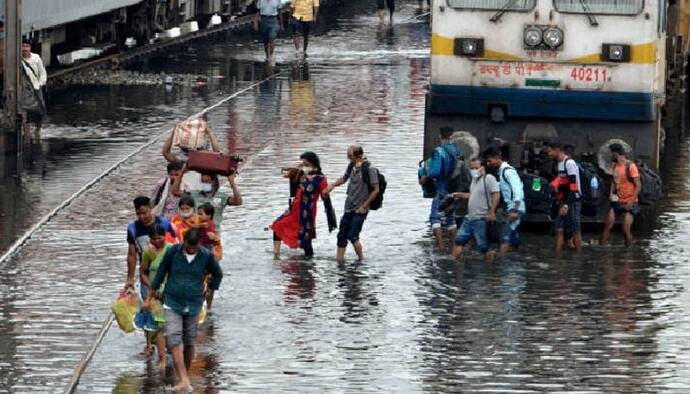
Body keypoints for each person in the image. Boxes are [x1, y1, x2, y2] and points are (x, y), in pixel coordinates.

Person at [152, 229, 223, 393]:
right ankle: (184, 379)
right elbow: (162, 270)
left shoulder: (206, 255)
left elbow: (218, 273)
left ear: (199, 244)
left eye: (194, 248)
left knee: (190, 341)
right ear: (183, 242)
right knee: (173, 337)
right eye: (188, 247)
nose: (191, 250)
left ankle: (184, 376)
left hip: (194, 302)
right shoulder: (173, 252)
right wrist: (153, 291)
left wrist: (211, 289)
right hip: (172, 300)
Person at [272, 152, 334, 259]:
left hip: (306, 211)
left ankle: (309, 261)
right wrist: (298, 167)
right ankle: (276, 255)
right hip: (294, 208)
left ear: (310, 162)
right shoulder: (301, 173)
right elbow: (286, 175)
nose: (303, 163)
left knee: (305, 239)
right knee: (277, 225)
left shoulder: (320, 178)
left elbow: (325, 193)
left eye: (304, 161)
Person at [325, 145, 380, 262]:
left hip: (361, 208)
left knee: (353, 235)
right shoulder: (351, 166)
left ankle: (361, 260)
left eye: (350, 156)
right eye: (347, 155)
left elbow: (376, 189)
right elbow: (344, 178)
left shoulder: (370, 169)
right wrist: (332, 186)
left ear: (359, 155)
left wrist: (364, 206)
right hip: (349, 206)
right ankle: (339, 260)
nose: (348, 158)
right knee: (342, 235)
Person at [451, 158, 500, 262]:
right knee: (458, 241)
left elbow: (496, 193)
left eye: (476, 168)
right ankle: (454, 267)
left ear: (483, 167)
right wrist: (459, 194)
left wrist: (492, 212)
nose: (474, 170)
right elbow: (472, 195)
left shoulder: (489, 178)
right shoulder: (474, 180)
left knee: (484, 247)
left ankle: (491, 269)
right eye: (471, 168)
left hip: (481, 218)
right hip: (469, 218)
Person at [139, 225, 174, 371]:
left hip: (171, 291)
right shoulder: (148, 252)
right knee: (158, 325)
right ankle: (162, 358)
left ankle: (172, 351)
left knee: (172, 324)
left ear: (165, 236)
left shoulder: (172, 249)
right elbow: (143, 273)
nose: (157, 241)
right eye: (154, 239)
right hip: (154, 292)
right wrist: (151, 288)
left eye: (160, 238)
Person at [419, 127, 460, 249]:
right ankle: (456, 246)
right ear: (451, 136)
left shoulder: (439, 151)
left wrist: (425, 176)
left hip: (441, 189)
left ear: (440, 136)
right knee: (450, 219)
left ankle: (440, 247)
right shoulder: (456, 151)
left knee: (435, 218)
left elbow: (436, 171)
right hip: (452, 189)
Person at [125, 196, 176, 291]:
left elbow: (175, 246)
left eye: (144, 213)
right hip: (146, 275)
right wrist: (130, 279)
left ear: (151, 208)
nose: (141, 217)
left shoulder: (164, 223)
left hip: (167, 274)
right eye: (138, 214)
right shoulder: (133, 229)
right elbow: (132, 255)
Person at [162, 113, 221, 191]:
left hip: (200, 197)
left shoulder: (206, 164)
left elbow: (217, 152)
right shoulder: (182, 164)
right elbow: (166, 152)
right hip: (186, 196)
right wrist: (174, 133)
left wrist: (209, 133)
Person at [483, 147, 525, 255]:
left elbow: (517, 190)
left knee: (505, 237)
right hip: (512, 207)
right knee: (513, 237)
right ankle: (519, 258)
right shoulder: (501, 172)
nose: (488, 164)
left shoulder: (508, 171)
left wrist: (515, 210)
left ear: (497, 158)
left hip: (515, 208)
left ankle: (502, 263)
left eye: (489, 160)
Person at [600, 144, 641, 247]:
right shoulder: (614, 166)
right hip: (617, 200)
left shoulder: (630, 166)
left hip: (630, 202)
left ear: (616, 153)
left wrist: (631, 201)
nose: (610, 156)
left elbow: (638, 185)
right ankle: (603, 247)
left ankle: (628, 250)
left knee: (625, 228)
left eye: (611, 154)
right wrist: (611, 193)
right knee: (608, 225)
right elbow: (614, 181)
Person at [547, 142, 583, 252]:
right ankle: (558, 255)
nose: (548, 154)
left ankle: (578, 254)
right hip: (563, 199)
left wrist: (566, 205)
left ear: (557, 150)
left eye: (550, 151)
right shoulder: (559, 163)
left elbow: (573, 186)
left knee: (575, 228)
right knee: (559, 228)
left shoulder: (569, 163)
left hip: (573, 200)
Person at [20, 39, 47, 142]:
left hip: (36, 87)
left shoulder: (36, 58)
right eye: (23, 46)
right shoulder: (18, 59)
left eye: (26, 46)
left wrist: (40, 84)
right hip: (24, 89)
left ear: (30, 48)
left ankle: (38, 129)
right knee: (25, 111)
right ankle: (26, 135)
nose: (24, 48)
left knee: (41, 109)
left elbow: (42, 72)